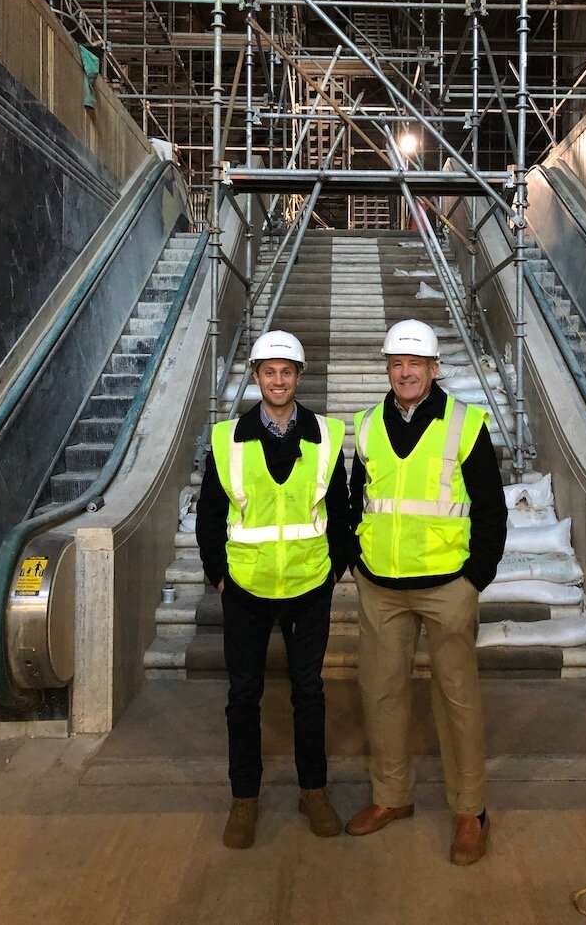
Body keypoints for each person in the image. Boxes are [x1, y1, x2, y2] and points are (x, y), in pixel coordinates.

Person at [346, 319, 507, 865]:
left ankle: (470, 811)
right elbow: (355, 499)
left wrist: (474, 580)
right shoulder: (368, 424)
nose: (405, 371)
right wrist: (357, 563)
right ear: (388, 368)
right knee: (381, 694)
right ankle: (392, 797)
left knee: (458, 700)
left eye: (415, 363)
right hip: (381, 587)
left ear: (435, 369)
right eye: (396, 363)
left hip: (447, 587)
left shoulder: (465, 424)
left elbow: (491, 508)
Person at [196, 329, 350, 849]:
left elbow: (343, 507)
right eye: (269, 372)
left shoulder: (326, 435)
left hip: (310, 584)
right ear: (257, 377)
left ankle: (313, 791)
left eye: (287, 372)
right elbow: (211, 514)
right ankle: (245, 799)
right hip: (246, 588)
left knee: (308, 693)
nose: (278, 380)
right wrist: (218, 572)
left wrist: (336, 568)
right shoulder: (226, 438)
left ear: (298, 377)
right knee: (244, 695)